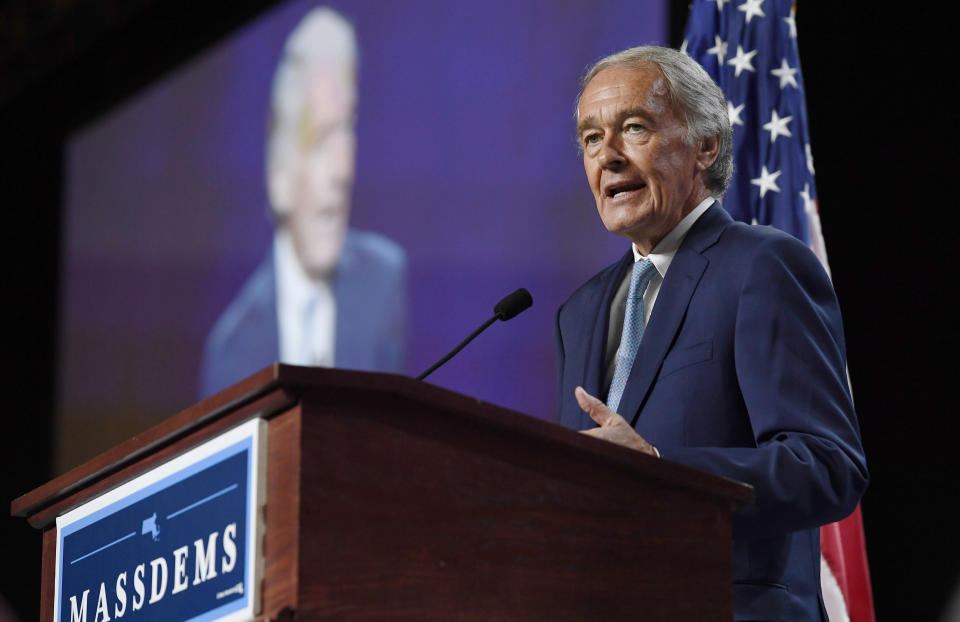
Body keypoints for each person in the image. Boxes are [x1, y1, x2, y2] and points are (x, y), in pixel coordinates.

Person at [555, 46, 867, 621]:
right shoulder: (581, 311)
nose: (609, 157)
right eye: (592, 139)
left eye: (633, 127)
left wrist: (659, 467)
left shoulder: (763, 267)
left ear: (706, 146)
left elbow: (827, 465)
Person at [200, 7, 406, 398]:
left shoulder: (385, 281)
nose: (341, 171)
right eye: (321, 138)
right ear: (279, 169)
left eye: (348, 128)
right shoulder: (231, 349)